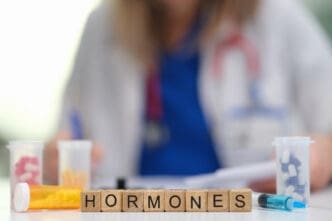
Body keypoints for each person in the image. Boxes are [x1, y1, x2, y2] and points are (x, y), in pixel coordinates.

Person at [45, 0, 332, 191]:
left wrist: (323, 156)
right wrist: (56, 162)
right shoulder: (101, 28)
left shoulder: (275, 17)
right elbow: (66, 137)